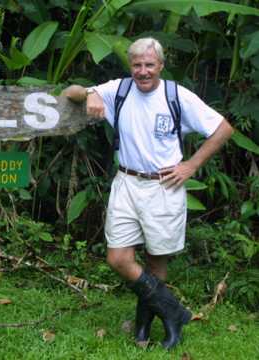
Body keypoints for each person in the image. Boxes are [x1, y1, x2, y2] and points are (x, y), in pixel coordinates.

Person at [63, 37, 233, 349]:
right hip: (127, 182)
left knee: (156, 263)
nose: (143, 71)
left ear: (161, 66)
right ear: (131, 66)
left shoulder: (176, 95)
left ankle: (144, 330)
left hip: (164, 186)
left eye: (149, 65)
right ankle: (175, 312)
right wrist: (89, 94)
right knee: (118, 257)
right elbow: (68, 93)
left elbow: (223, 128)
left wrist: (191, 165)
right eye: (137, 65)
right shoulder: (119, 89)